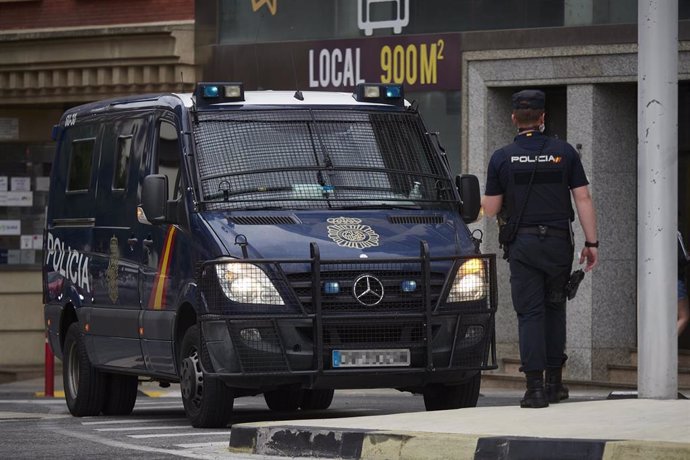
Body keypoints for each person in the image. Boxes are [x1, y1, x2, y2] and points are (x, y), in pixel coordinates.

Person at [482, 89, 598, 408]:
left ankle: (534, 389)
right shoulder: (565, 152)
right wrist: (592, 243)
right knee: (555, 308)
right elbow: (583, 198)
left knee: (530, 314)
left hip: (523, 245)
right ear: (543, 117)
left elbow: (490, 209)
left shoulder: (502, 157)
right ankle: (555, 384)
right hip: (559, 243)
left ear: (514, 118)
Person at [678, 231, 690, 336]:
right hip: (676, 279)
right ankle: (666, 344)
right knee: (684, 317)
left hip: (656, 281)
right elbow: (683, 257)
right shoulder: (676, 233)